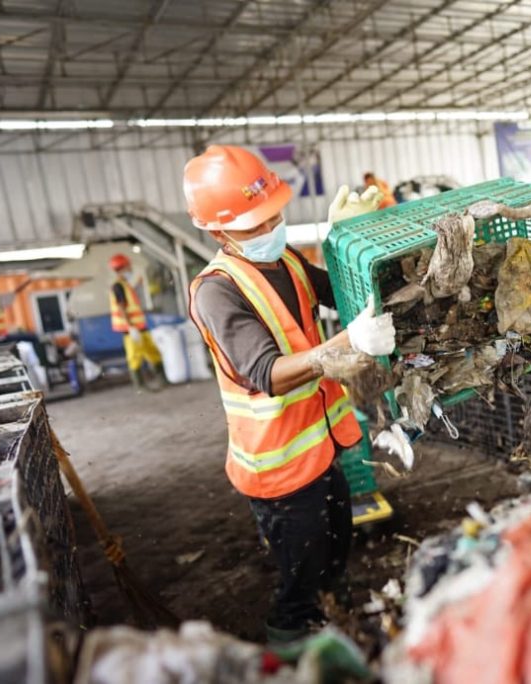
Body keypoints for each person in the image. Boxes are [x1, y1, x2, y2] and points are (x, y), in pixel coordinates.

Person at [183, 145, 396, 643]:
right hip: (277, 465)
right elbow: (265, 372)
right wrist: (349, 342)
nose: (269, 230)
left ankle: (335, 622)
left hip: (320, 447)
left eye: (273, 216)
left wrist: (349, 239)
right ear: (218, 232)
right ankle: (294, 641)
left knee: (337, 548)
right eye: (254, 225)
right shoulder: (216, 290)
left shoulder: (287, 258)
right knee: (303, 576)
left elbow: (341, 291)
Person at [109, 253, 165, 390]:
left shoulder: (124, 284)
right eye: (128, 265)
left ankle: (162, 379)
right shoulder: (118, 286)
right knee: (135, 357)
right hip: (131, 329)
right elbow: (122, 308)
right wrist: (130, 327)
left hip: (140, 326)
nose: (130, 268)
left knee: (152, 352)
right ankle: (140, 385)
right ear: (122, 267)